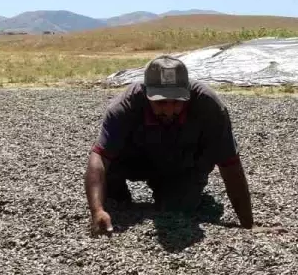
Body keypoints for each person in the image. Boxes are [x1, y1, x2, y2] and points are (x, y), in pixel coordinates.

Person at [84, 55, 256, 236]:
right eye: (160, 102)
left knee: (176, 210)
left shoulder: (210, 107)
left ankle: (180, 192)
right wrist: (97, 210)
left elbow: (230, 164)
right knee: (114, 202)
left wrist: (247, 226)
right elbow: (99, 157)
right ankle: (117, 200)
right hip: (137, 161)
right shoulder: (124, 107)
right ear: (145, 92)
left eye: (176, 102)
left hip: (181, 166)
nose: (168, 109)